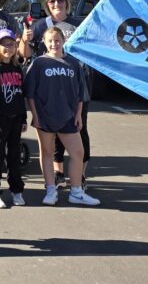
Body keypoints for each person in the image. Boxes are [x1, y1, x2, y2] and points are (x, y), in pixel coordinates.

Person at [19, 0, 92, 190]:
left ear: (67, 2)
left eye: (60, 0)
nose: (56, 4)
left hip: (74, 86)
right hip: (49, 88)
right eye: (51, 1)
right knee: (52, 133)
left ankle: (81, 177)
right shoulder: (40, 25)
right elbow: (25, 54)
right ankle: (58, 173)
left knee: (79, 129)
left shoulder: (79, 24)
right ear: (46, 5)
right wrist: (25, 39)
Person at [25, 27, 100, 206]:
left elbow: (81, 92)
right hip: (45, 116)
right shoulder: (38, 63)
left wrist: (78, 115)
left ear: (63, 40)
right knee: (47, 152)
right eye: (50, 41)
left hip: (68, 116)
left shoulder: (73, 63)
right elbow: (30, 93)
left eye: (57, 40)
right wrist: (35, 115)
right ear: (44, 42)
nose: (54, 44)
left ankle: (76, 191)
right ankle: (51, 189)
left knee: (78, 152)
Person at [0, 29, 27, 208]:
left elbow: (20, 95)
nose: (8, 48)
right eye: (4, 45)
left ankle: (17, 190)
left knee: (15, 156)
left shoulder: (17, 68)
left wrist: (23, 118)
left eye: (11, 44)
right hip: (0, 120)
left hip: (16, 118)